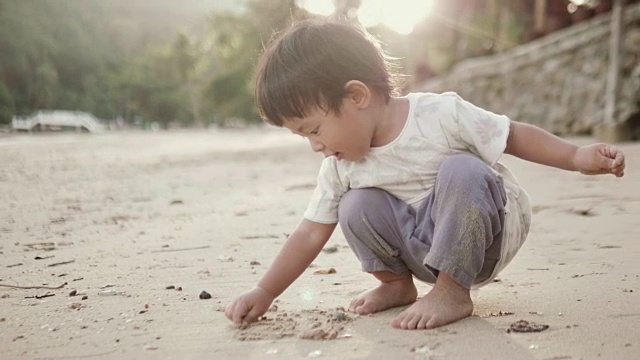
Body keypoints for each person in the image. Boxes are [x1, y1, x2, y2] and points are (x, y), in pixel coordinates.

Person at [225, 18, 626, 330]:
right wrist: (265, 291)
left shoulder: (440, 114)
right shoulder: (340, 166)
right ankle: (396, 284)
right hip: (420, 248)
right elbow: (311, 231)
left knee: (462, 169)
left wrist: (575, 156)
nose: (315, 145)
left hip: (484, 236)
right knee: (355, 204)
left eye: (313, 129)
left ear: (357, 96)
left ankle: (453, 291)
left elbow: (512, 135)